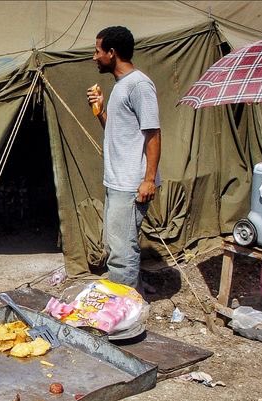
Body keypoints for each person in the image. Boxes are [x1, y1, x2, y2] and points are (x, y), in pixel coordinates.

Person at [86, 26, 161, 293]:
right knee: (117, 243)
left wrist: (148, 180)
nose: (94, 57)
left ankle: (125, 313)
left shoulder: (139, 85)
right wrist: (99, 111)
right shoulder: (121, 87)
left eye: (97, 51)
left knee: (121, 251)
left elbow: (152, 134)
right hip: (117, 181)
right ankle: (132, 294)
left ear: (112, 52)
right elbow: (119, 133)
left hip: (131, 183)